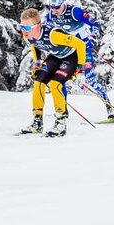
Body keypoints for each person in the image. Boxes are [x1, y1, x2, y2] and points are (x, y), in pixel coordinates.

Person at [43, 0, 114, 121]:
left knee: (90, 80)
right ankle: (63, 110)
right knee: (59, 79)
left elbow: (94, 24)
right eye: (52, 7)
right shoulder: (50, 15)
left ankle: (109, 107)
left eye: (57, 7)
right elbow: (45, 30)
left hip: (84, 48)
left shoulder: (75, 12)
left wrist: (92, 37)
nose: (54, 10)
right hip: (68, 50)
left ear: (63, 4)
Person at [19, 7, 88, 137]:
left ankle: (60, 123)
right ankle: (37, 122)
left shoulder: (54, 35)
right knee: (38, 82)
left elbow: (80, 44)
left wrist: (80, 70)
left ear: (38, 25)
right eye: (21, 26)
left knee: (55, 84)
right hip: (54, 58)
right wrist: (38, 63)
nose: (23, 30)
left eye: (27, 27)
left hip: (70, 58)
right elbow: (35, 45)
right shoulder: (27, 35)